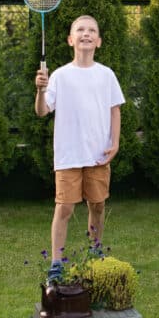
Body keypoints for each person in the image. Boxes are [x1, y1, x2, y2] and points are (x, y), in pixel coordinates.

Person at [35, 14, 124, 281]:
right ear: (70, 40)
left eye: (92, 30)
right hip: (68, 156)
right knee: (64, 209)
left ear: (98, 41)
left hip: (98, 155)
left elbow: (115, 110)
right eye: (80, 30)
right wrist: (40, 90)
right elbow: (41, 111)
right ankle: (56, 264)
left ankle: (95, 256)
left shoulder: (106, 75)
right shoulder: (60, 76)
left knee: (97, 206)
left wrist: (115, 143)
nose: (86, 33)